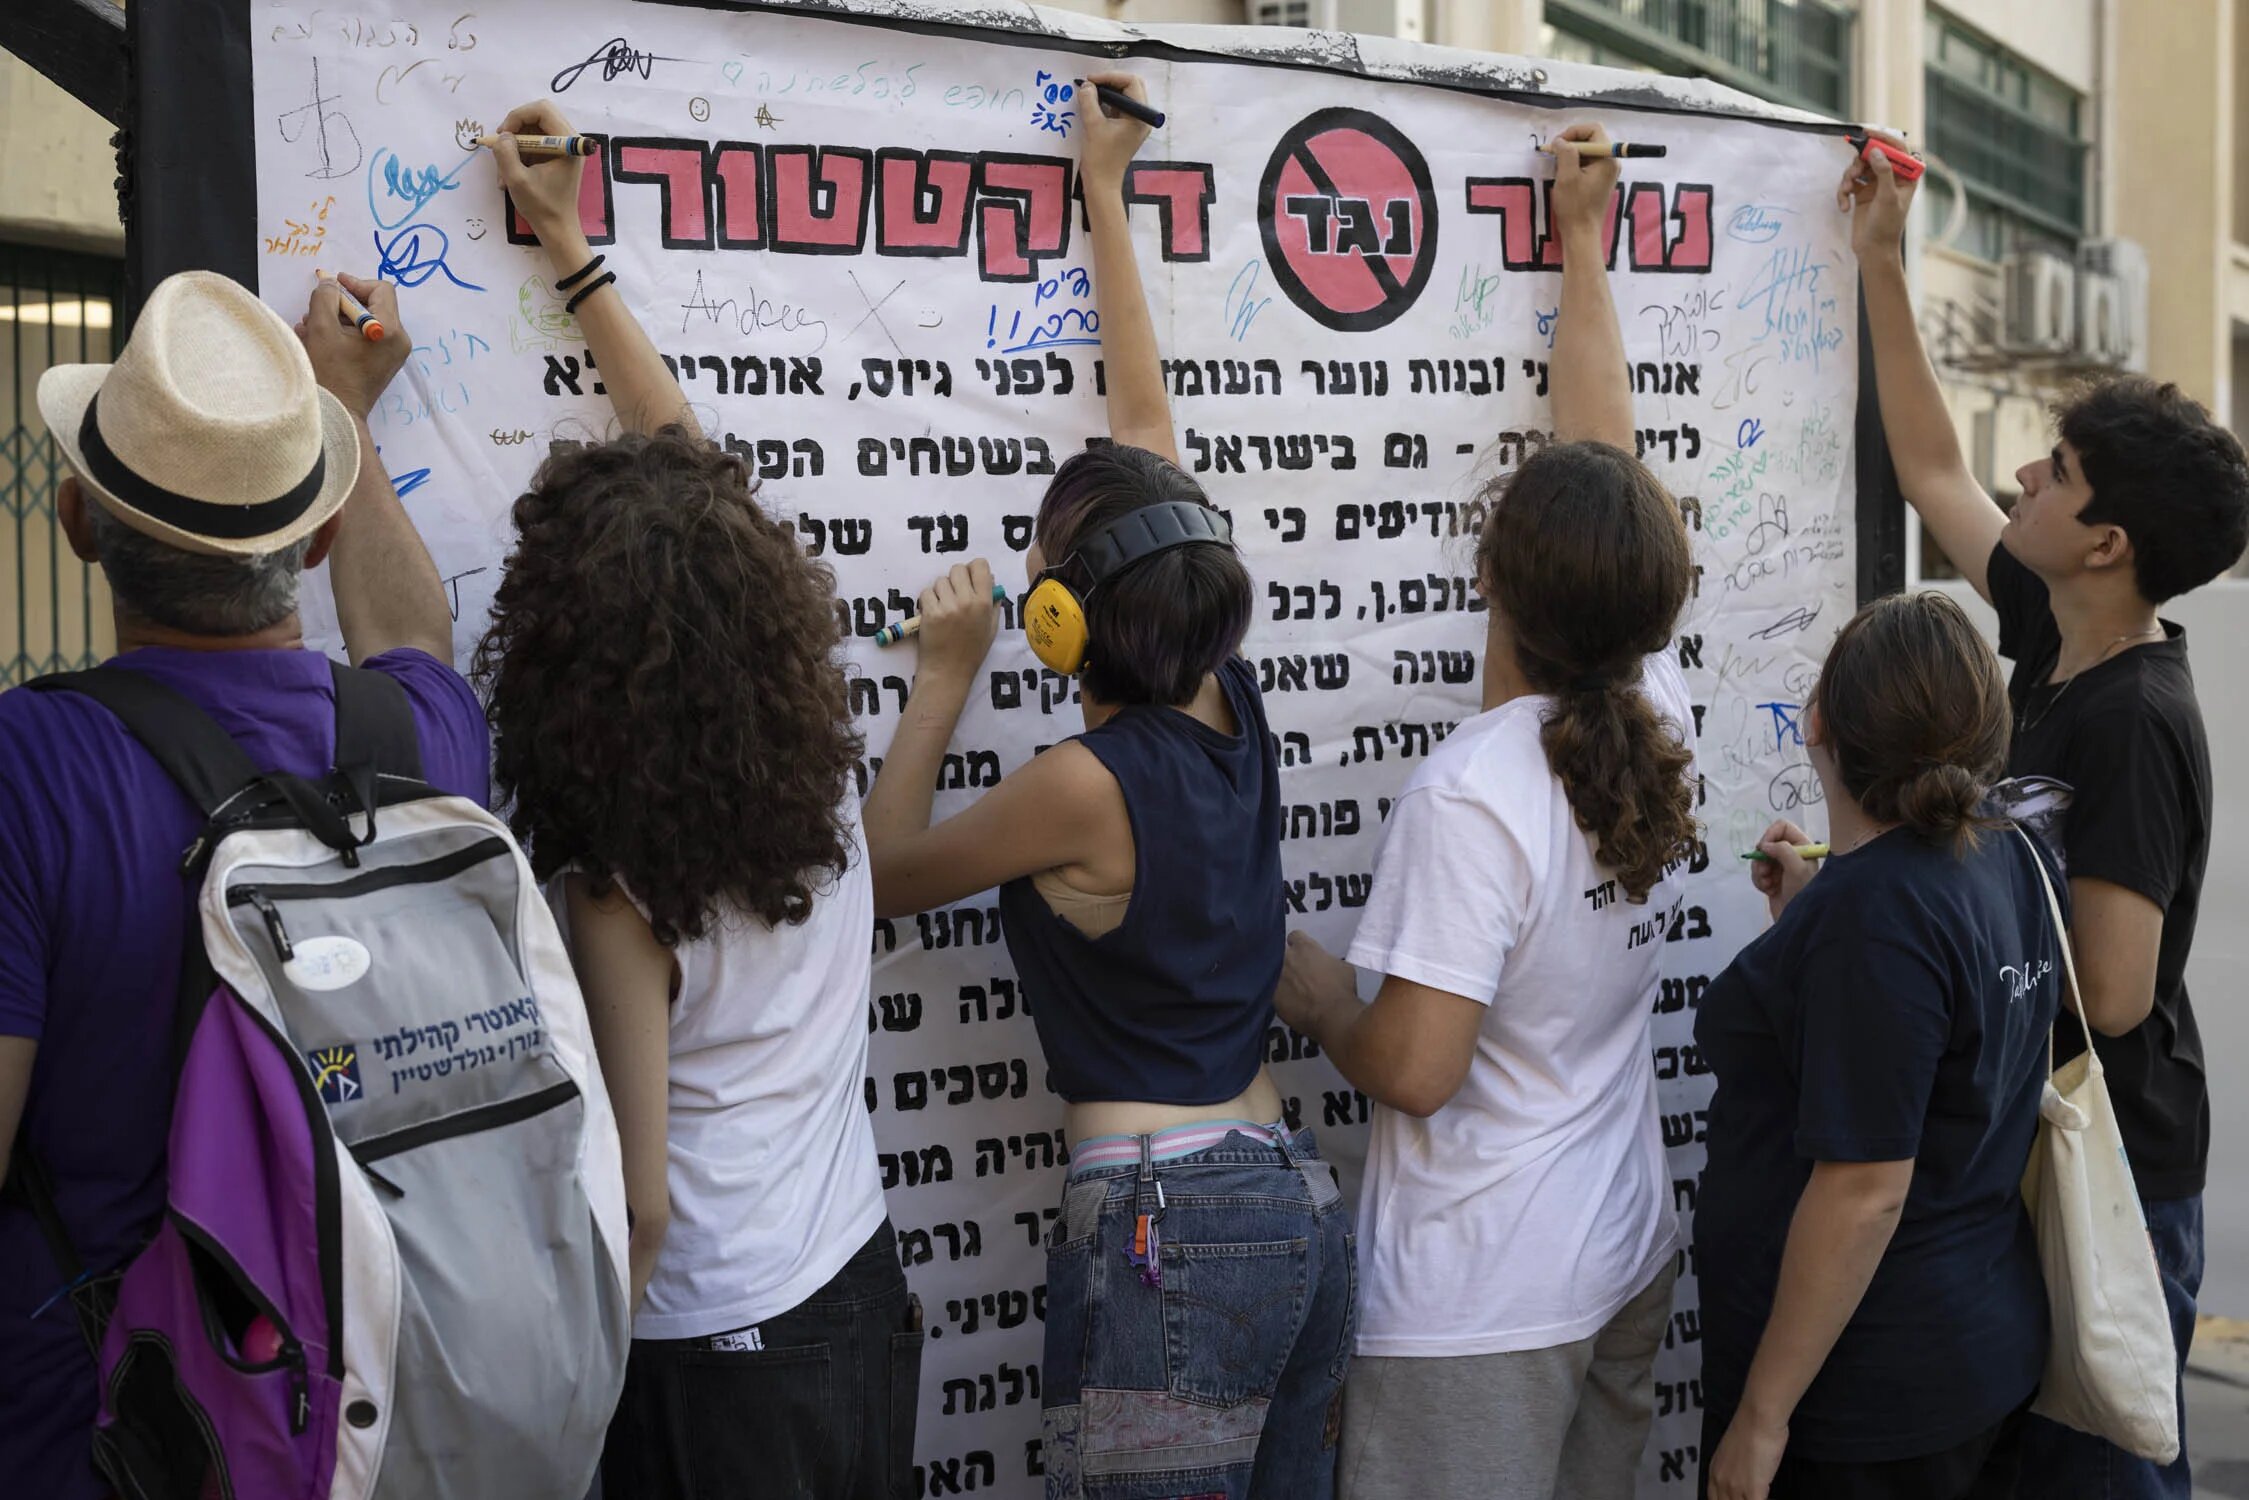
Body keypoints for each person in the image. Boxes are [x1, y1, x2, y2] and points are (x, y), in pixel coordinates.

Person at [860, 73, 1355, 1500]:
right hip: (1288, 1199)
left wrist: (944, 677)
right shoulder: (1227, 697)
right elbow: (1149, 432)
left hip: (1168, 1224)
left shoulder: (1086, 783)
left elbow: (885, 877)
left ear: (1064, 622)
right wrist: (1102, 198)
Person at [470, 101, 917, 1499]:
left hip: (707, 1352)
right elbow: (698, 492)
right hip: (853, 1286)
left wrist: (567, 1381)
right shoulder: (811, 765)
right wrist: (573, 253)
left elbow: (642, 1203)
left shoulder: (617, 895)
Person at [0, 267, 477, 1497]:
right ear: (317, 536)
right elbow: (413, 635)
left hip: (112, 1438)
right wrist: (343, 412)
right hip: (380, 1426)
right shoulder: (418, 742)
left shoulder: (27, 773)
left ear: (79, 522)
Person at [1272, 125, 1696, 1500]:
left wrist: (1316, 989)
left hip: (1480, 1309)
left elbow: (1412, 1067)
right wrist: (1582, 244)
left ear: (1491, 582)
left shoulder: (1474, 791)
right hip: (1617, 1253)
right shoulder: (1657, 711)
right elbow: (1608, 462)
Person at [1844, 136, 2249, 1499]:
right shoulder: (2053, 632)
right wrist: (1881, 261)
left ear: (2107, 541)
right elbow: (1927, 465)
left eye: (2058, 469)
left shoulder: (2132, 717)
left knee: (2108, 1473)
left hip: (2115, 1169)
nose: (2022, 475)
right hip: (2050, 1147)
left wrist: (1924, 880)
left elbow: (2118, 992)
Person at [1695, 591, 2062, 1500]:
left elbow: (1863, 1192)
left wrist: (1760, 1417)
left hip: (1865, 1404)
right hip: (1972, 1349)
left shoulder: (1875, 919)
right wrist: (1813, 917)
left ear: (1817, 721)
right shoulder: (2006, 853)